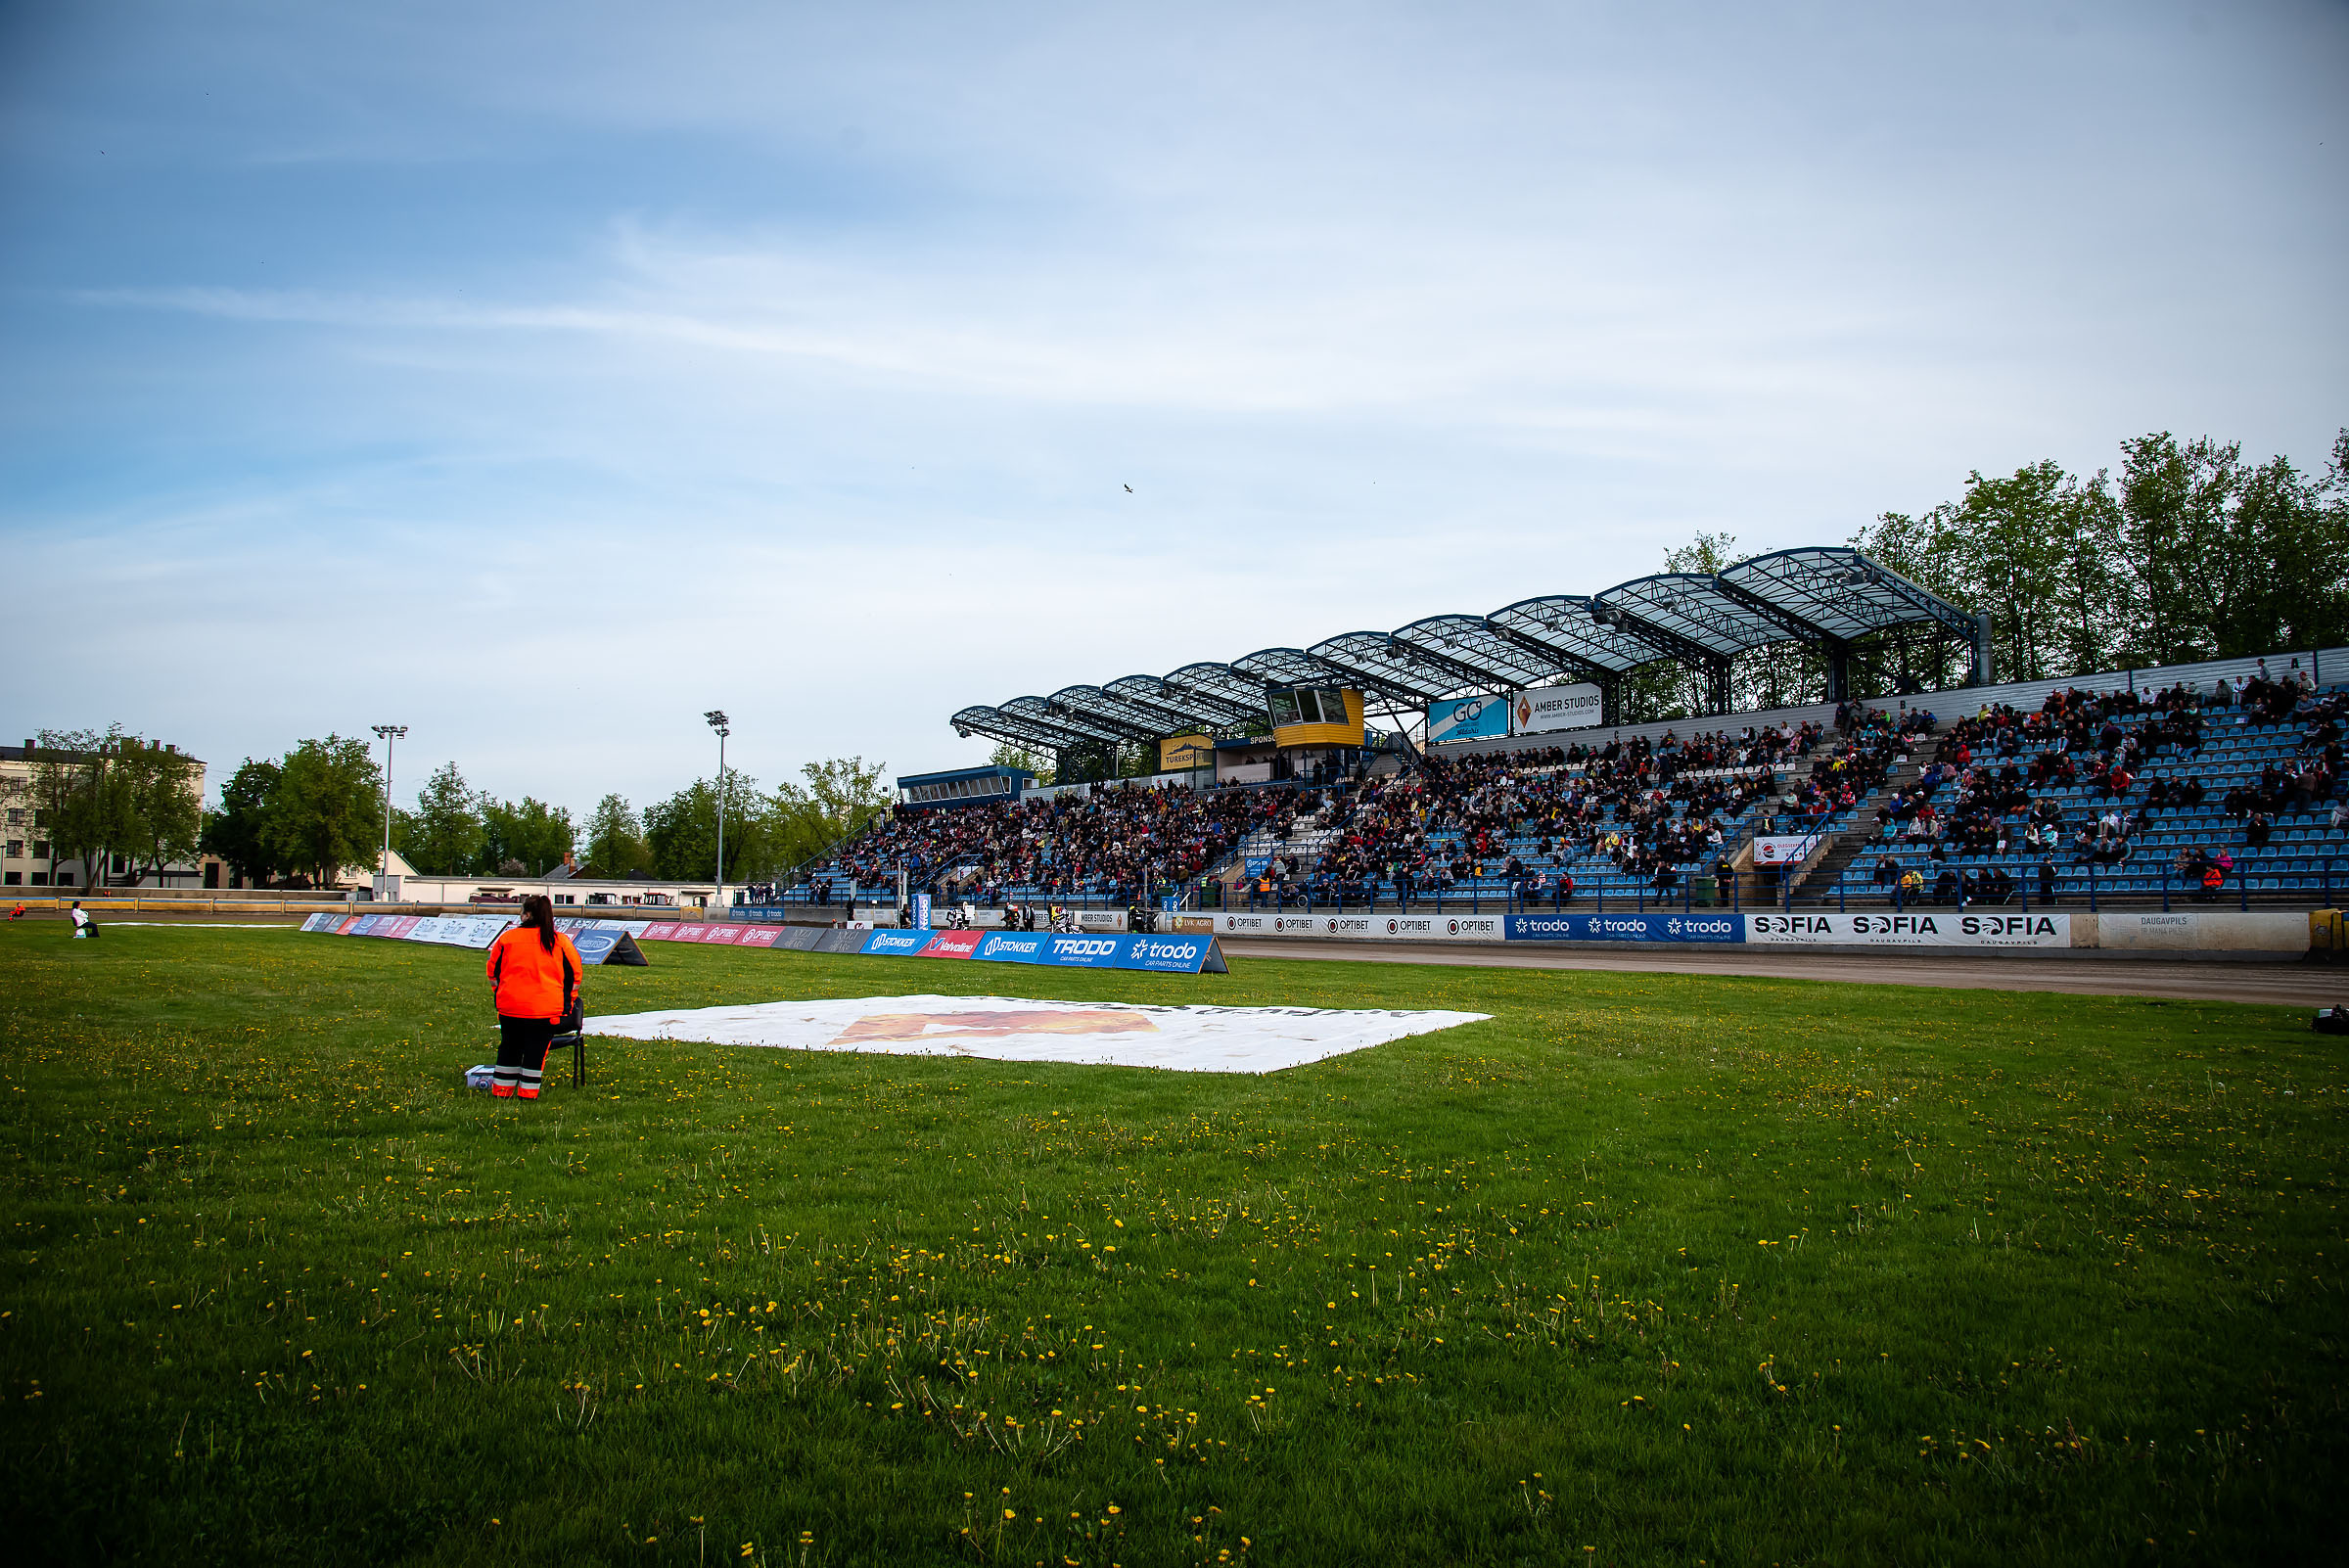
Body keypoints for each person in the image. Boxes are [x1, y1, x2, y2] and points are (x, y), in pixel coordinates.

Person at [484, 896, 583, 1101]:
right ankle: (528, 1094)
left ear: (527, 915)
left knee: (508, 1048)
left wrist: (501, 995)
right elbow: (574, 975)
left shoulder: (507, 939)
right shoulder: (559, 941)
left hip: (511, 1007)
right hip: (545, 1010)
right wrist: (568, 1002)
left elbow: (493, 972)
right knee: (535, 1053)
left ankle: (502, 1092)